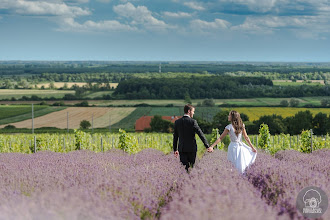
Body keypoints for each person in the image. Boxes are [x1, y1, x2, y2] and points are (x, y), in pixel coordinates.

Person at [173, 104, 210, 172]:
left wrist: (175, 149)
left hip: (182, 149)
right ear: (189, 111)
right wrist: (207, 146)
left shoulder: (177, 122)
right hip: (191, 149)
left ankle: (183, 181)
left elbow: (175, 136)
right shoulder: (193, 122)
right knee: (192, 168)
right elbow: (200, 134)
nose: (193, 113)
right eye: (193, 111)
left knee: (184, 169)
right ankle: (191, 181)